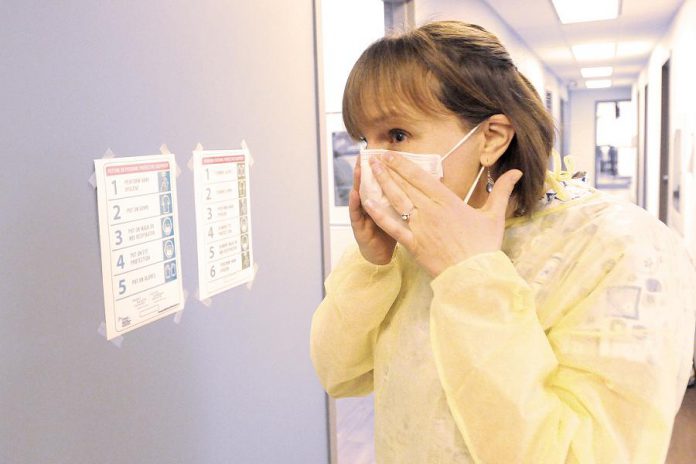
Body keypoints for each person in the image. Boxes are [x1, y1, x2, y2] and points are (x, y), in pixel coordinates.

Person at [310, 21, 696, 464]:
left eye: (396, 135)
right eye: (365, 141)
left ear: (491, 138)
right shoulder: (407, 236)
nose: (373, 162)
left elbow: (582, 453)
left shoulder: (621, 250)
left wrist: (471, 274)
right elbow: (339, 375)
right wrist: (371, 265)